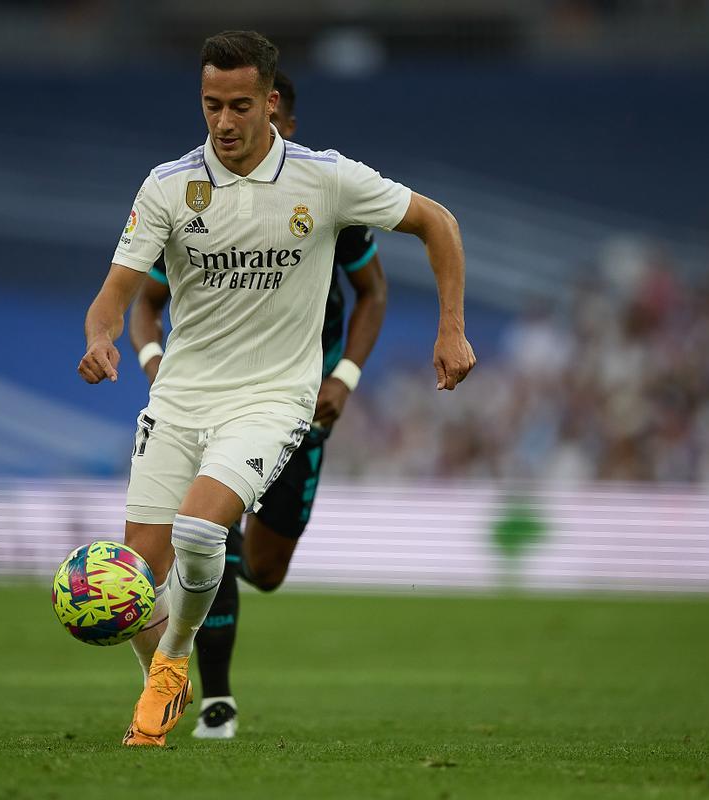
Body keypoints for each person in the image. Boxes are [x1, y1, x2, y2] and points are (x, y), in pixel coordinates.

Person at [77, 30, 475, 748]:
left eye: (237, 105)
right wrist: (102, 338)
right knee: (134, 576)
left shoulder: (325, 179)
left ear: (269, 103)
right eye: (209, 106)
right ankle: (165, 673)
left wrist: (451, 330)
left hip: (271, 399)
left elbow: (437, 224)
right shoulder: (169, 185)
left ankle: (170, 668)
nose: (223, 122)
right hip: (179, 398)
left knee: (203, 530)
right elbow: (117, 293)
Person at [127, 69, 389, 740]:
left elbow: (374, 294)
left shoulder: (328, 204)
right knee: (201, 533)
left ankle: (218, 544)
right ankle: (212, 698)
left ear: (283, 123)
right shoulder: (201, 209)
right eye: (218, 110)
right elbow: (146, 303)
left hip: (301, 402)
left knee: (264, 570)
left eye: (268, 120)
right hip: (214, 399)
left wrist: (347, 375)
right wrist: (155, 363)